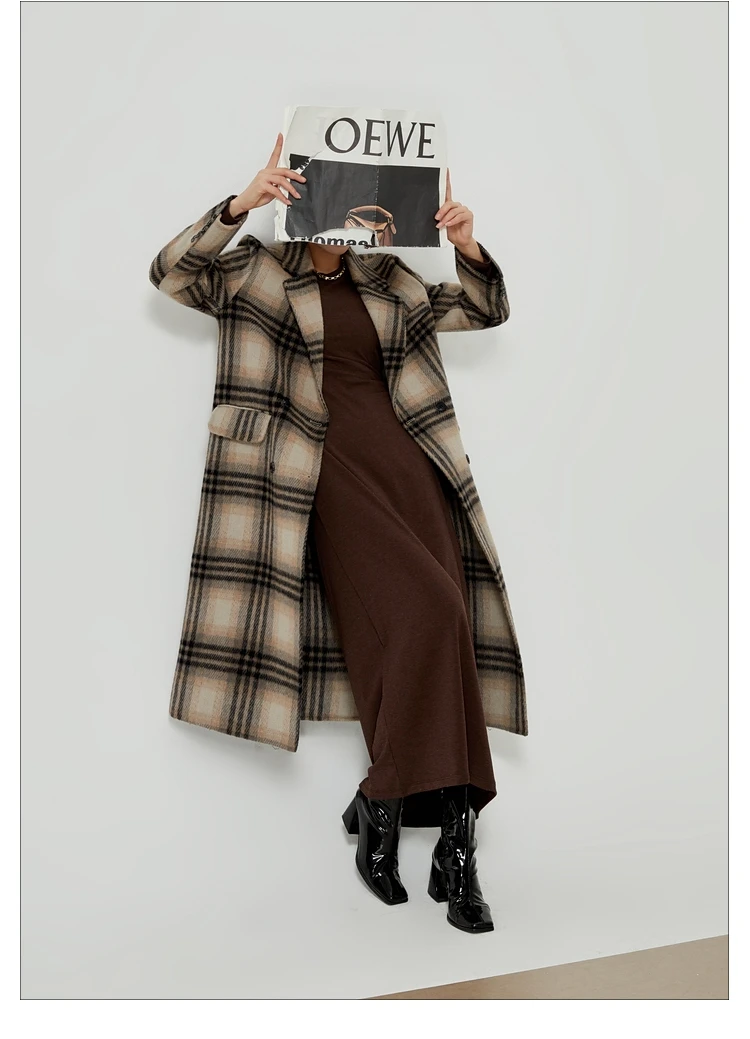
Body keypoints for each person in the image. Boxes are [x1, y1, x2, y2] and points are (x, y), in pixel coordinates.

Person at [158, 133, 511, 935]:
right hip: (317, 470)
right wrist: (242, 203)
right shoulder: (254, 269)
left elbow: (485, 308)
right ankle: (398, 807)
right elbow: (171, 272)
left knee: (443, 629)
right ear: (306, 197)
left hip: (411, 468)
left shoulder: (389, 277)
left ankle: (442, 840)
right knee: (431, 614)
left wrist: (465, 245)